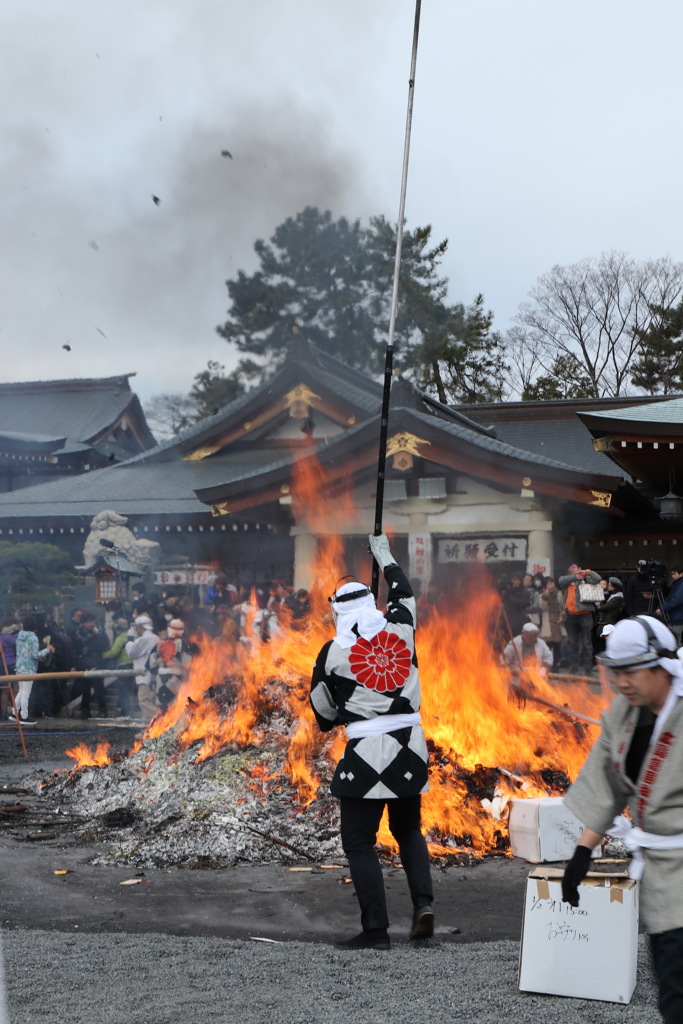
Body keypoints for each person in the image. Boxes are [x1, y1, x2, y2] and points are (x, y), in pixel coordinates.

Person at [309, 532, 433, 951]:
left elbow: (322, 710)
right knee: (408, 829)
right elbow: (403, 591)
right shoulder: (402, 629)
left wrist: (341, 712)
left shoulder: (332, 653)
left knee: (359, 842)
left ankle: (376, 930)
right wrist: (383, 552)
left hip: (364, 753)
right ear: (372, 604)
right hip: (410, 745)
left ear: (336, 612)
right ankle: (423, 907)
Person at [561, 616, 683, 1024]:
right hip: (662, 874)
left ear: (661, 666)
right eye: (616, 673)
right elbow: (607, 787)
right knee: (673, 991)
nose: (622, 682)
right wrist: (581, 854)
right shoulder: (622, 715)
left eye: (631, 672)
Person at [558, 562, 601, 675]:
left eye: (573, 567)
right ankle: (574, 666)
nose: (571, 569)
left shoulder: (586, 579)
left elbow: (598, 579)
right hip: (571, 616)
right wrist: (575, 576)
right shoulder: (568, 581)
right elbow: (560, 580)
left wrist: (587, 572)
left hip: (585, 614)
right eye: (570, 567)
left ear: (579, 568)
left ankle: (588, 667)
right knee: (573, 643)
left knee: (586, 642)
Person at [10, 615, 53, 726]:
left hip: (19, 666)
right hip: (29, 668)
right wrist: (47, 650)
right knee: (26, 693)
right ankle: (24, 716)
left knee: (21, 691)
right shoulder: (33, 637)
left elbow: (24, 652)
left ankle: (14, 713)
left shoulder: (20, 636)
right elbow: (35, 655)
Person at [72, 610, 109, 719]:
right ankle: (85, 710)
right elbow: (75, 650)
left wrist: (98, 635)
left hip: (97, 662)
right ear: (82, 623)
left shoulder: (100, 632)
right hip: (84, 664)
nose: (90, 624)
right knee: (85, 689)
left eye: (91, 621)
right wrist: (75, 665)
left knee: (99, 688)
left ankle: (103, 709)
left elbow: (105, 646)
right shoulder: (78, 634)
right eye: (87, 622)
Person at [125, 614, 160, 724]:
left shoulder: (146, 638)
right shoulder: (153, 637)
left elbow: (132, 652)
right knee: (149, 702)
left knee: (144, 701)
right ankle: (146, 729)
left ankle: (162, 720)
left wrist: (130, 639)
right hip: (151, 676)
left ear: (140, 627)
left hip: (145, 676)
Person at [103, 617, 136, 717]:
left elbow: (114, 652)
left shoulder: (121, 638)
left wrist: (102, 655)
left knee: (123, 690)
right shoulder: (134, 636)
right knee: (130, 690)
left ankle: (125, 713)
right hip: (134, 666)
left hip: (123, 666)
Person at [539, 577, 565, 669]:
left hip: (558, 623)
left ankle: (555, 667)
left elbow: (563, 608)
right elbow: (543, 608)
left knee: (557, 647)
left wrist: (563, 617)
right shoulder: (542, 595)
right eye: (548, 583)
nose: (550, 585)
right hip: (548, 624)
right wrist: (545, 596)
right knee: (547, 647)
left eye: (552, 583)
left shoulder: (559, 594)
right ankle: (545, 667)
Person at [656, 565, 683, 645]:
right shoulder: (677, 584)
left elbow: (676, 600)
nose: (672, 576)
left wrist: (662, 608)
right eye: (672, 574)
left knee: (674, 640)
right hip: (676, 616)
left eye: (674, 574)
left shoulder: (680, 585)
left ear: (681, 574)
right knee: (675, 640)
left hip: (678, 617)